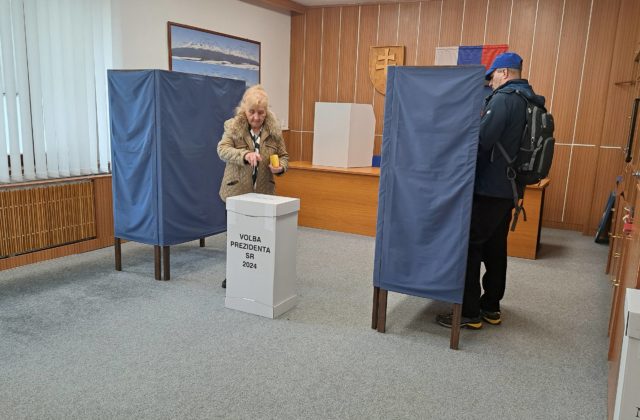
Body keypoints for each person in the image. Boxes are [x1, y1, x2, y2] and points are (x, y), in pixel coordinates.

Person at [437, 52, 546, 329]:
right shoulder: (530, 101)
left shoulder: (503, 100)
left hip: (489, 188)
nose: (491, 81)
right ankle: (491, 307)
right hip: (510, 188)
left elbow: (481, 141)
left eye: (493, 75)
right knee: (495, 248)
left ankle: (470, 311)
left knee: (472, 246)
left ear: (504, 73)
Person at [217, 85, 289, 288]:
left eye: (261, 112)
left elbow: (284, 156)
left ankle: (260, 274)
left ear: (267, 112)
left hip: (264, 193)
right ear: (244, 110)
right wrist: (244, 155)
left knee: (262, 237)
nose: (256, 117)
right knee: (237, 237)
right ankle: (234, 274)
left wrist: (280, 167)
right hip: (237, 191)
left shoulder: (274, 132)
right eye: (252, 112)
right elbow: (222, 150)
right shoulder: (232, 126)